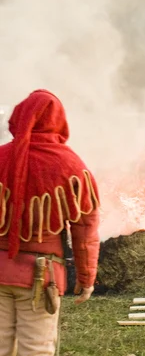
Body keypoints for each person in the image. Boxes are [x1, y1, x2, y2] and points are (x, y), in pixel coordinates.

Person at [0, 90, 100, 356]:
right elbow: (85, 230)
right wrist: (86, 277)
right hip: (40, 277)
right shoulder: (70, 165)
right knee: (35, 350)